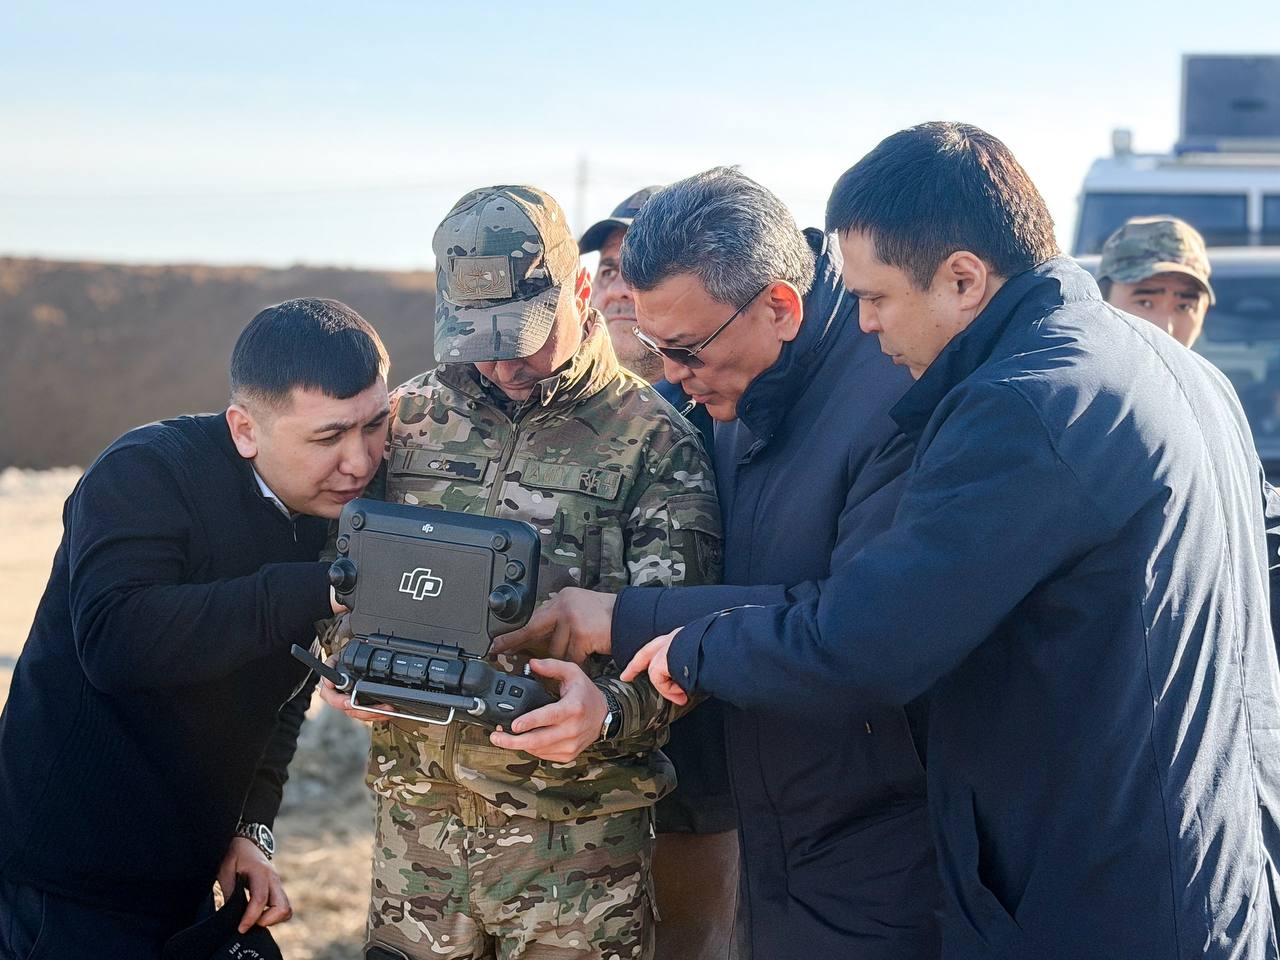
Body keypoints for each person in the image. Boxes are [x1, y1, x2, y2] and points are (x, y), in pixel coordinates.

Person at [622, 123, 1280, 958]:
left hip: (1102, 894)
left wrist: (688, 648)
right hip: (1210, 867)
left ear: (963, 279)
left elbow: (868, 642)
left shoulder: (1024, 402)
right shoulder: (1177, 369)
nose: (863, 326)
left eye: (875, 298)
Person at [496, 167, 935, 959]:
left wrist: (621, 622)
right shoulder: (733, 386)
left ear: (779, 306)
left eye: (687, 350)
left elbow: (848, 620)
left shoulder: (894, 401)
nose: (671, 376)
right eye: (659, 350)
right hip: (774, 806)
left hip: (877, 830)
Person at [318, 184, 722, 960]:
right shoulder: (405, 421)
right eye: (477, 337)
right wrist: (345, 660)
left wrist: (605, 711)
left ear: (582, 291)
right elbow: (336, 581)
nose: (502, 362)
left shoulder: (655, 443)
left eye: (524, 335)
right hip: (418, 844)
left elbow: (685, 649)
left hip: (576, 861)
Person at [0, 298, 390, 958]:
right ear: (245, 429)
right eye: (327, 437)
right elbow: (116, 642)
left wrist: (251, 827)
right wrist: (312, 590)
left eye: (376, 425)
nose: (360, 461)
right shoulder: (143, 472)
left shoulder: (343, 505)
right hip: (63, 891)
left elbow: (287, 688)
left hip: (189, 888)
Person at [579, 186, 734, 960]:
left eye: (637, 268)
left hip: (694, 774)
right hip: (571, 780)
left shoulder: (728, 411)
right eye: (608, 267)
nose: (617, 286)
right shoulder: (557, 416)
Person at [1097, 215, 1214, 347]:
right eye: (1145, 303)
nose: (1166, 328)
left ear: (1203, 311)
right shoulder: (1077, 366)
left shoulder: (1206, 368)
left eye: (1184, 307)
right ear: (1102, 304)